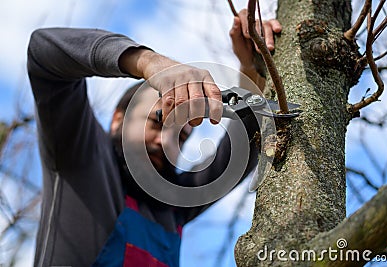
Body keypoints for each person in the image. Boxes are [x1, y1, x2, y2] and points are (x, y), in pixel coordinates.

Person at [27, 8, 281, 267]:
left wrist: (253, 66)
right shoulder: (81, 154)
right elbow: (43, 53)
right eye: (156, 123)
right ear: (118, 119)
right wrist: (149, 63)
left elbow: (242, 146)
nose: (165, 142)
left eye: (180, 137)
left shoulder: (175, 204)